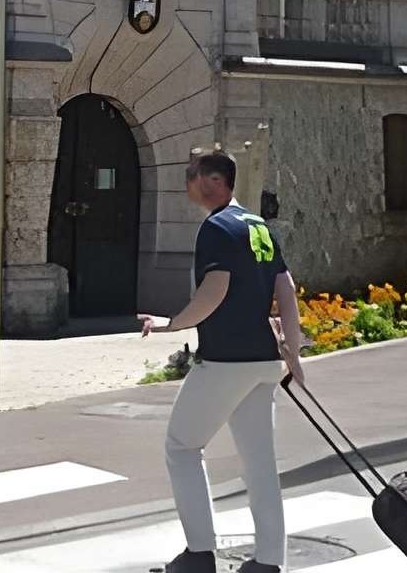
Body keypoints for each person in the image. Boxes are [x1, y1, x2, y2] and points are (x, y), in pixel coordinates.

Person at [138, 148, 306, 573]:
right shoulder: (257, 224)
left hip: (226, 360)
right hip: (263, 362)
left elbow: (214, 290)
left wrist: (170, 325)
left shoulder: (216, 228)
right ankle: (269, 561)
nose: (187, 183)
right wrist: (294, 349)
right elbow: (284, 286)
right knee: (260, 464)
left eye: (191, 175)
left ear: (213, 181)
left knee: (182, 446)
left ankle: (199, 555)